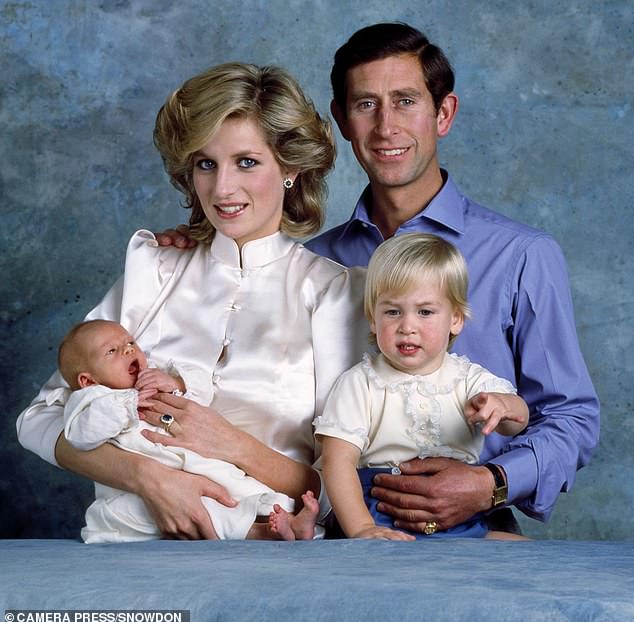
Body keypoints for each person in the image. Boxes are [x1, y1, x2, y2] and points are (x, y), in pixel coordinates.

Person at [151, 23, 600, 535]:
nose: (386, 127)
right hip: (339, 531)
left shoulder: (522, 256)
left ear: (444, 113)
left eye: (406, 101)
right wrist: (195, 252)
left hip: (475, 531)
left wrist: (490, 482)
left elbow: (571, 419)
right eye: (366, 105)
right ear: (342, 120)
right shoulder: (315, 265)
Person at [17, 62, 366, 540]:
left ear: (290, 167)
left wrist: (233, 445)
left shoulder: (335, 293)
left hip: (274, 554)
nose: (222, 189)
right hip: (138, 552)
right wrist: (148, 478)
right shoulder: (154, 269)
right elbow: (39, 419)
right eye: (206, 163)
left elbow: (343, 492)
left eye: (246, 161)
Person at [314, 233, 528, 540]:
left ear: (455, 319)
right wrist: (362, 528)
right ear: (373, 319)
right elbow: (338, 462)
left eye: (425, 312)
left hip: (460, 509)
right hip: (380, 509)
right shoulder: (361, 382)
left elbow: (516, 422)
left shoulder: (468, 378)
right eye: (392, 311)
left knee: (528, 554)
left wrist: (504, 407)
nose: (407, 326)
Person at [57, 319, 318, 542]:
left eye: (131, 343)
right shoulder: (89, 401)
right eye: (112, 351)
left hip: (194, 464)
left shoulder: (154, 375)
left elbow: (204, 388)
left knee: (238, 486)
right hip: (141, 495)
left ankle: (289, 516)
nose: (128, 350)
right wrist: (129, 402)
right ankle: (264, 533)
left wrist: (175, 383)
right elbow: (81, 435)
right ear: (87, 380)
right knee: (205, 509)